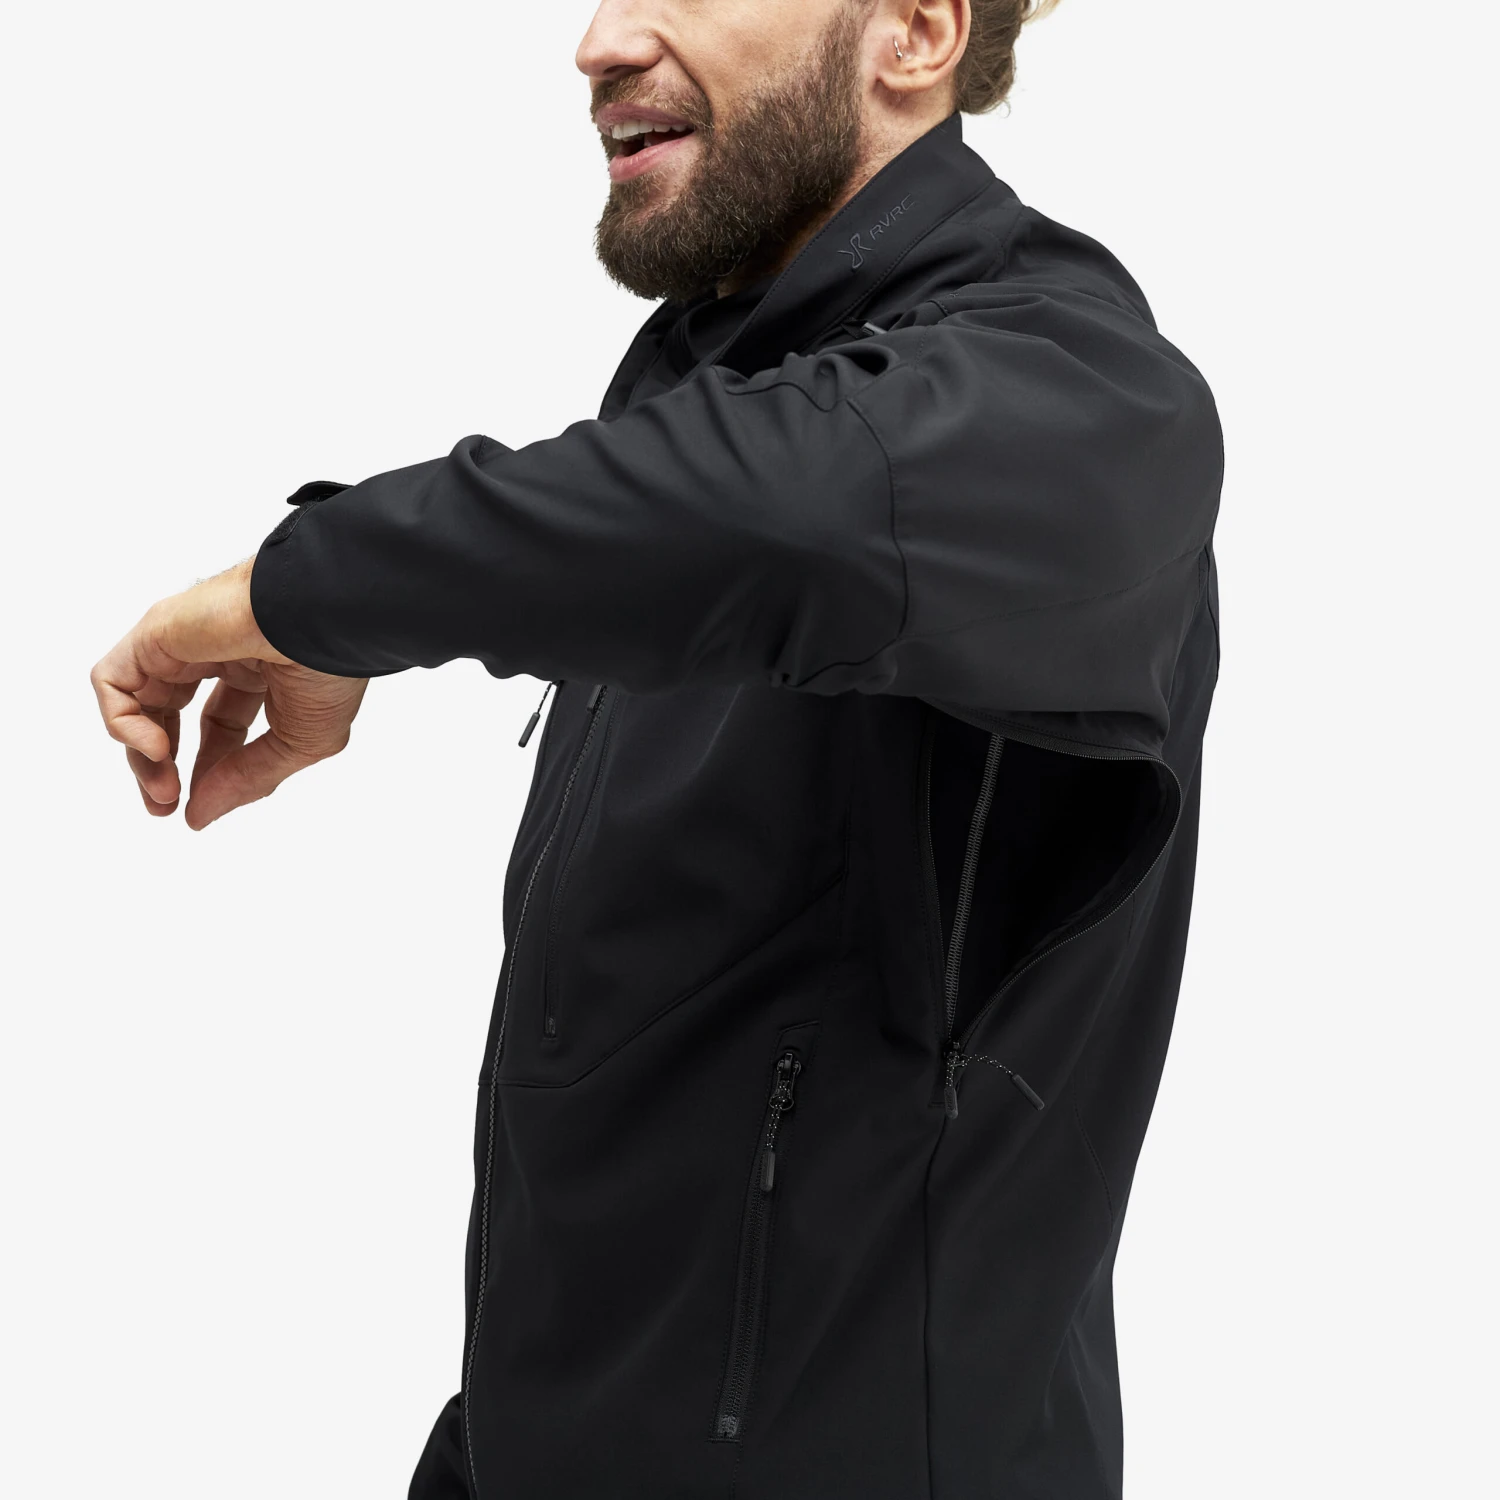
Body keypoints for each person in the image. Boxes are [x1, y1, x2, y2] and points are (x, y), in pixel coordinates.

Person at [90, 0, 1223, 1494]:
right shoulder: (700, 410)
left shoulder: (1084, 396)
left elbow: (803, 518)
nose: (601, 41)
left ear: (916, 30)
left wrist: (312, 589)